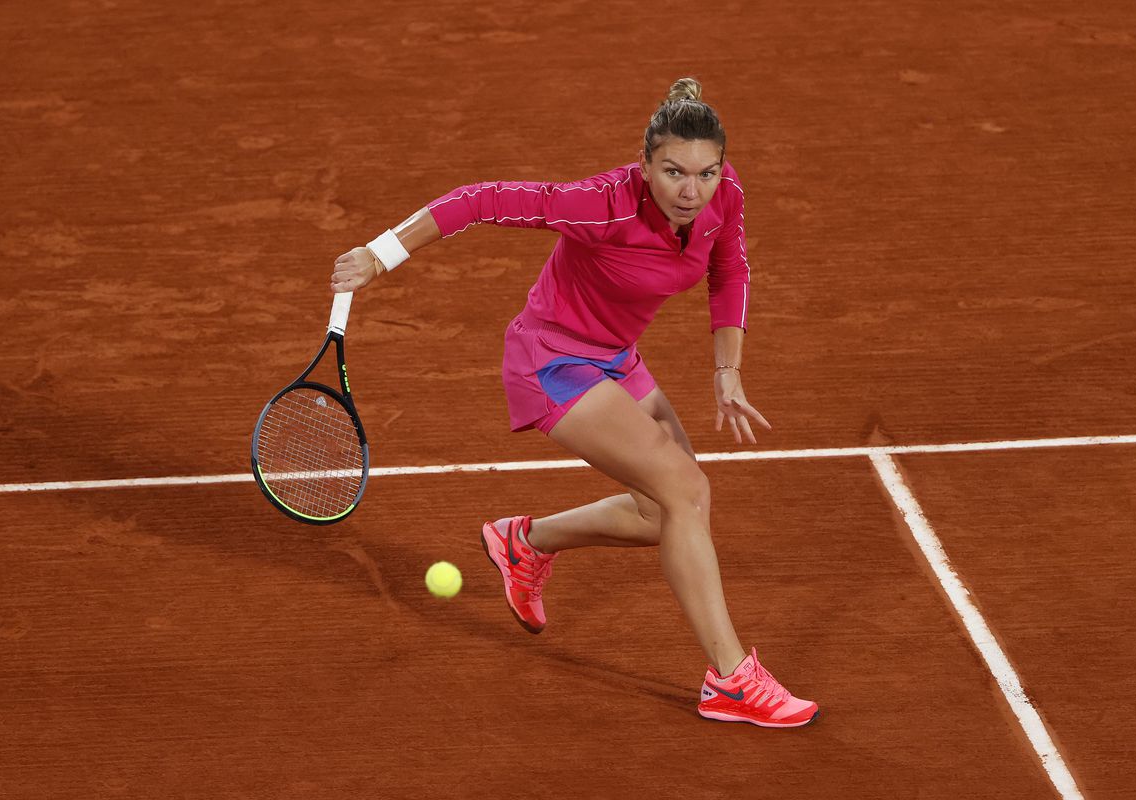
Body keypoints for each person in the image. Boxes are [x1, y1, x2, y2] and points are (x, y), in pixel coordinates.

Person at [330, 78, 818, 728]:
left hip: (616, 357)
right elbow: (483, 200)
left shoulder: (724, 199)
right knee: (684, 489)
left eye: (704, 172)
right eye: (673, 171)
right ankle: (730, 679)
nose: (690, 189)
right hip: (551, 360)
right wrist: (379, 254)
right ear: (646, 167)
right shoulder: (604, 205)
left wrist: (727, 370)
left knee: (665, 511)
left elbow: (730, 270)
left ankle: (524, 543)